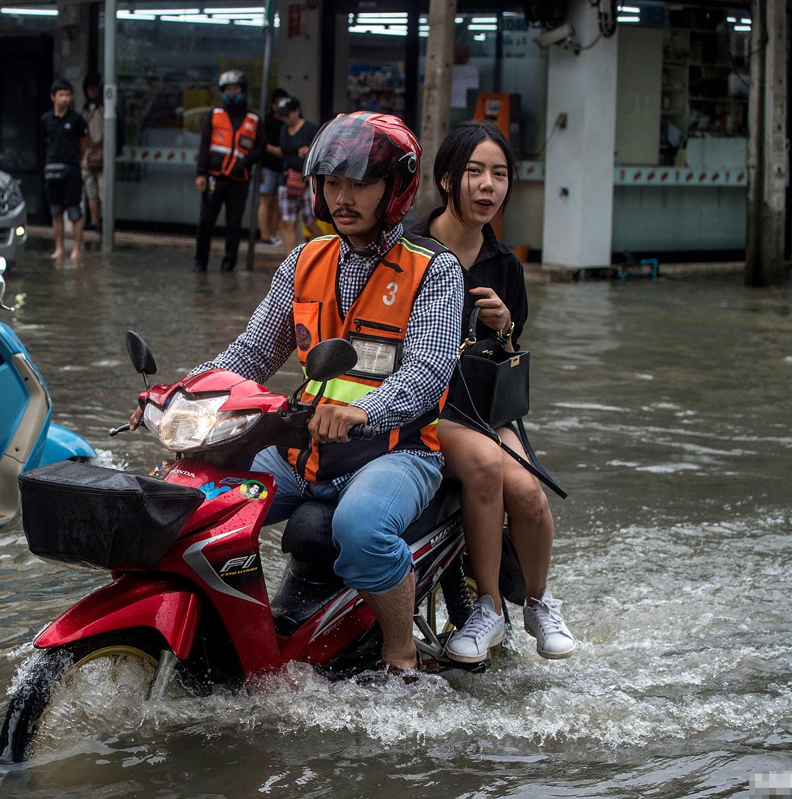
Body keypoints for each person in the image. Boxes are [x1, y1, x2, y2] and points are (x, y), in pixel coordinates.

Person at [137, 112, 463, 670]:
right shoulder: (304, 260)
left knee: (360, 529)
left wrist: (361, 411)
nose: (343, 197)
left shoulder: (435, 269)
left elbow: (428, 372)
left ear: (396, 188)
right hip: (303, 448)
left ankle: (400, 655)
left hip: (397, 451)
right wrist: (178, 398)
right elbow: (250, 355)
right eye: (333, 183)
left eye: (360, 184)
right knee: (189, 505)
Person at [411, 120, 576, 663]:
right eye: (474, 172)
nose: (487, 186)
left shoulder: (505, 266)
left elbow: (510, 358)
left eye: (499, 175)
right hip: (424, 410)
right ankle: (489, 608)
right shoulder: (410, 249)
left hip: (483, 408)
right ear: (446, 179)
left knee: (528, 491)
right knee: (486, 466)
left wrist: (503, 327)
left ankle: (538, 601)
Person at [193, 69, 265, 272]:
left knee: (233, 225)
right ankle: (200, 263)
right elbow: (204, 145)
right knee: (205, 223)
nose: (232, 92)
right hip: (213, 178)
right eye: (228, 89)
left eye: (236, 88)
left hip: (239, 181)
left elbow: (261, 148)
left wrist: (246, 161)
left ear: (243, 90)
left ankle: (229, 264)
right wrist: (200, 174)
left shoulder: (254, 119)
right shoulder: (214, 115)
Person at [40, 79, 89, 261]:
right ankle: (59, 248)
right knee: (56, 211)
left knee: (75, 211)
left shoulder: (76, 119)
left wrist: (80, 159)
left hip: (72, 168)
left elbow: (84, 142)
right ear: (53, 97)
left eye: (68, 95)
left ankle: (76, 249)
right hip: (52, 168)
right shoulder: (46, 119)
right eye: (61, 95)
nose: (64, 99)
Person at [276, 96, 319, 252]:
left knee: (309, 222)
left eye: (287, 115)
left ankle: (326, 252)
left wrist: (309, 152)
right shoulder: (284, 130)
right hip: (288, 179)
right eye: (282, 116)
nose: (285, 119)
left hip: (305, 181)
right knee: (288, 223)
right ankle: (290, 262)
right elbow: (283, 152)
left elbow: (322, 153)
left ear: (297, 111)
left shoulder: (310, 129)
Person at [257, 88, 290, 246]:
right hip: (268, 165)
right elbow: (260, 145)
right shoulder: (267, 121)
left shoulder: (286, 122)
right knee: (266, 199)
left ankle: (274, 234)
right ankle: (264, 235)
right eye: (277, 102)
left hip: (282, 167)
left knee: (278, 201)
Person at [81, 73, 105, 232]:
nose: (92, 92)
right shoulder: (84, 109)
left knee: (104, 190)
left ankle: (104, 221)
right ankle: (94, 221)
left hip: (103, 153)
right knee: (91, 191)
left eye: (94, 89)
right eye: (89, 89)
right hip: (88, 155)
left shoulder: (104, 108)